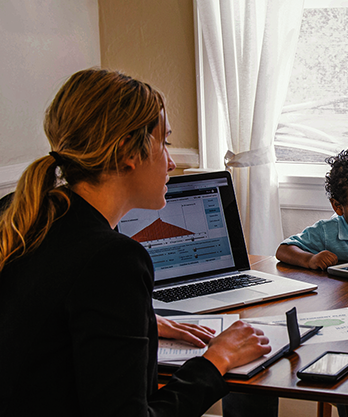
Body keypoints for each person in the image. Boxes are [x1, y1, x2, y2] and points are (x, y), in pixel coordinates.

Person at [0, 68, 270, 416]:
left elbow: (41, 327)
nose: (171, 162)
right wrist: (217, 360)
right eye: (165, 143)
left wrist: (136, 322)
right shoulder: (112, 259)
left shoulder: (22, 215)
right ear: (129, 151)